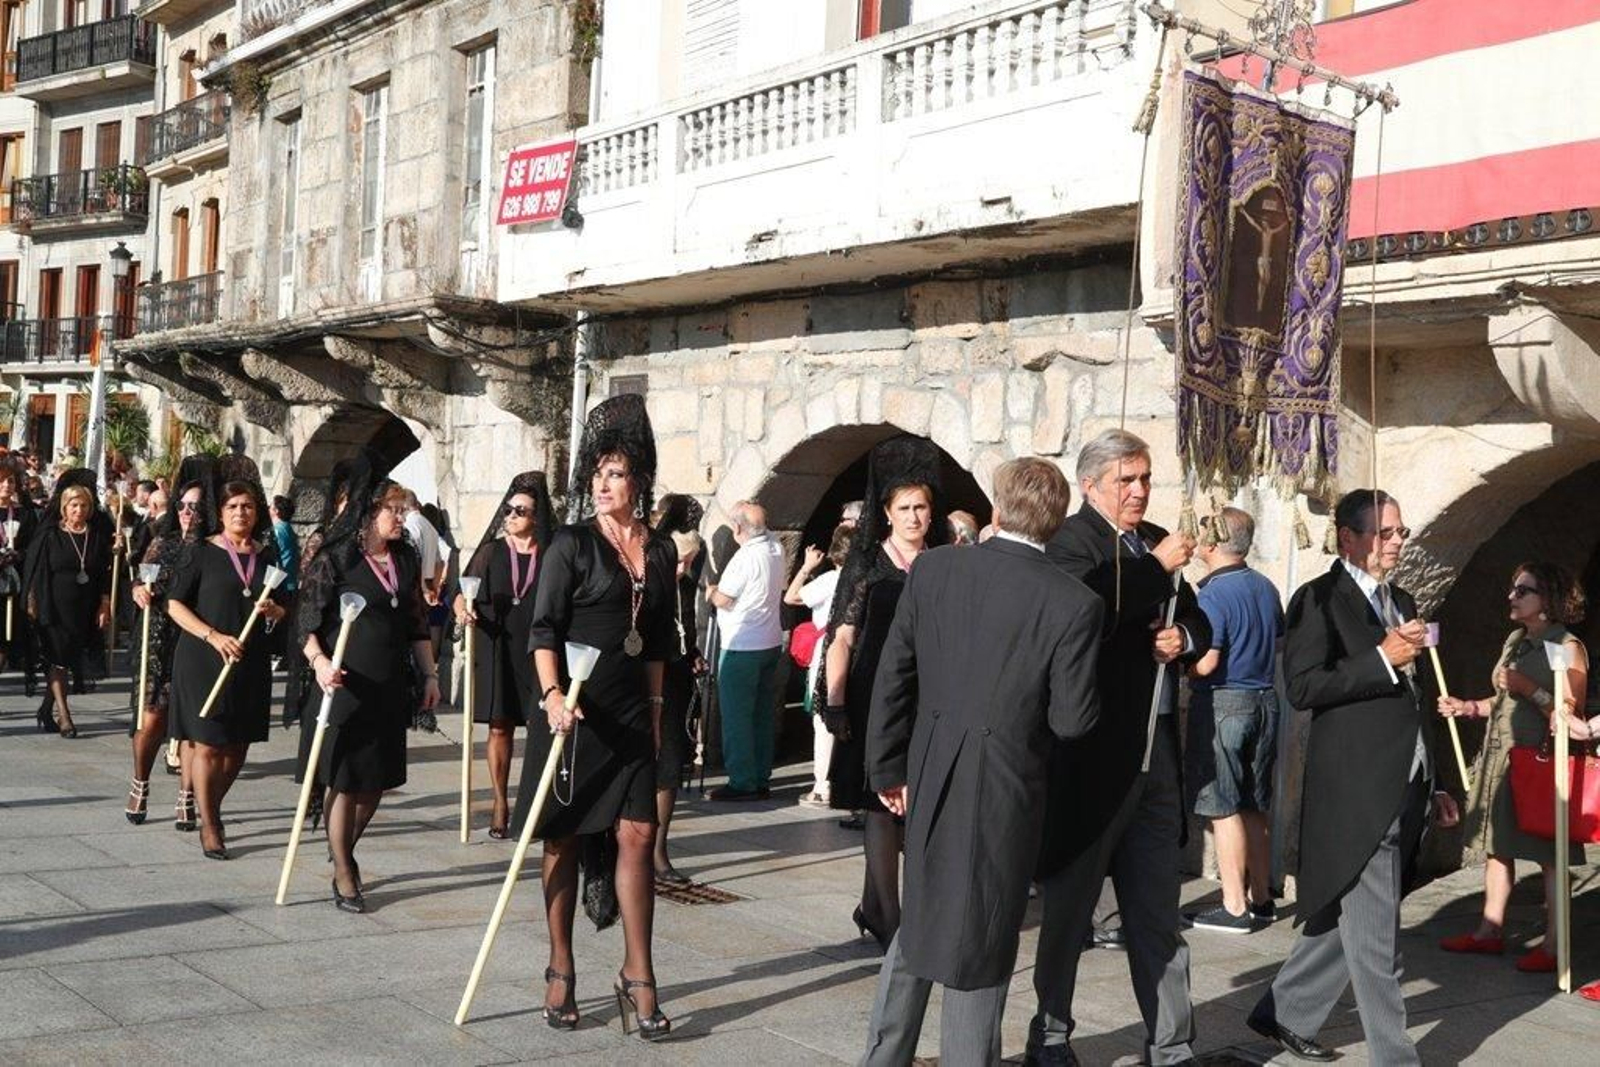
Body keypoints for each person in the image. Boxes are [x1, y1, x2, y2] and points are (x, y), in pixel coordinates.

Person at [859, 457, 1103, 1065]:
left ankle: (883, 1056)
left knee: (925, 916)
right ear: (1056, 522)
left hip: (931, 767)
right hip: (1006, 786)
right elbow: (1073, 720)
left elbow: (894, 673)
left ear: (998, 509)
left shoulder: (935, 567)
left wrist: (887, 767)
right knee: (982, 937)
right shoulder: (1074, 602)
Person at [1248, 489, 1460, 1065]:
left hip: (1405, 782)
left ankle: (1287, 1010)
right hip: (1356, 792)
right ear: (1348, 537)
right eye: (1384, 533)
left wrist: (1436, 779)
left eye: (1400, 532)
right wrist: (1381, 659)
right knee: (1377, 939)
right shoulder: (1318, 599)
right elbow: (1304, 686)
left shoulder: (1402, 598)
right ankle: (1395, 1057)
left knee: (1351, 913)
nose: (1396, 542)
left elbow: (1417, 697)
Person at [1027, 429, 1208, 1066]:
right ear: (1090, 485)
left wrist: (1184, 638)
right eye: (1125, 480)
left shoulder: (1154, 539)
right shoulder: (1069, 542)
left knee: (1157, 910)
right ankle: (1051, 1034)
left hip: (1155, 756)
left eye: (1144, 478)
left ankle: (1172, 1043)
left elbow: (1197, 616)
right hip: (1093, 763)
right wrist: (1154, 570)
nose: (1138, 491)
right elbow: (1084, 610)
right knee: (1070, 912)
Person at [517, 393, 676, 1039]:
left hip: (634, 715)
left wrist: (658, 711)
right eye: (597, 473)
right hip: (574, 716)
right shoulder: (571, 544)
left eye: (616, 473)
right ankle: (561, 965)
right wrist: (553, 696)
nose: (603, 484)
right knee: (565, 837)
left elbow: (658, 640)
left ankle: (639, 973)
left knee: (638, 835)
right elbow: (543, 629)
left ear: (639, 480)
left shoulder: (660, 551)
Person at [822, 435, 949, 950]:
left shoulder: (944, 561)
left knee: (915, 805)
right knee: (879, 803)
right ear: (888, 513)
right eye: (905, 508)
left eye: (921, 507)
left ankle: (873, 906)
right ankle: (891, 920)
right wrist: (834, 701)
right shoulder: (869, 563)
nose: (915, 517)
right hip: (872, 694)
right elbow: (842, 636)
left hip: (927, 697)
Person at [294, 467, 440, 911]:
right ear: (368, 512)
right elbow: (305, 621)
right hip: (343, 684)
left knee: (374, 783)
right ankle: (343, 871)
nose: (401, 517)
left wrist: (430, 675)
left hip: (388, 686)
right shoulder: (337, 558)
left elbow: (416, 623)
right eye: (392, 510)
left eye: (402, 509)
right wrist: (319, 663)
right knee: (344, 779)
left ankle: (343, 847)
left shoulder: (405, 558)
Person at [1437, 562, 1588, 973]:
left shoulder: (1567, 646)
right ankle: (1489, 931)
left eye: (1523, 591)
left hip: (1539, 762)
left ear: (1547, 599)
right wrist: (1469, 707)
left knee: (1549, 853)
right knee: (1497, 845)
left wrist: (1529, 687)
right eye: (1512, 588)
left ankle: (1554, 947)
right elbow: (1502, 701)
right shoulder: (1516, 641)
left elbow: (1569, 712)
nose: (1512, 597)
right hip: (1501, 757)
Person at [166, 476, 287, 860]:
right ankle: (211, 824)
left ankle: (210, 804)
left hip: (249, 660)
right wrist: (213, 636)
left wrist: (275, 611)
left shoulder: (267, 556)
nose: (240, 513)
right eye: (232, 506)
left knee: (237, 746)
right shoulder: (201, 551)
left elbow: (285, 606)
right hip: (203, 657)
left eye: (247, 506)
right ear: (219, 513)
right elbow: (174, 604)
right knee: (208, 741)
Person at [1185, 506, 1284, 933]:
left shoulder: (1212, 594)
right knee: (1253, 804)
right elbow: (1278, 643)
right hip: (1264, 699)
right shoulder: (1265, 586)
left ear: (1213, 542)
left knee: (1222, 806)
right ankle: (1261, 898)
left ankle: (1233, 905)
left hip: (1224, 701)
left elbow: (1207, 662)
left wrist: (1181, 667)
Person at [454, 471, 555, 838]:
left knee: (541, 727)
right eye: (509, 510)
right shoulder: (491, 552)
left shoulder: (550, 554)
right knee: (500, 726)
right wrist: (462, 611)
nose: (511, 516)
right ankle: (499, 800)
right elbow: (462, 592)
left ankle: (536, 804)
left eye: (521, 511)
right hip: (497, 643)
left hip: (535, 647)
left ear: (536, 517)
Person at [126, 472, 208, 829]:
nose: (187, 513)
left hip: (195, 638)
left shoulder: (213, 547)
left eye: (195, 507)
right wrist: (138, 590)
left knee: (190, 723)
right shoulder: (164, 541)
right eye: (183, 506)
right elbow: (141, 578)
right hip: (159, 637)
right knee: (151, 718)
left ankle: (186, 795)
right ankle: (140, 782)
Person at [23, 473, 114, 739]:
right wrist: (33, 602)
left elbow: (103, 574)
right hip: (54, 606)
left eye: (84, 505)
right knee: (58, 658)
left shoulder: (96, 536)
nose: (79, 510)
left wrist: (104, 603)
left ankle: (45, 710)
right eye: (74, 505)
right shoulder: (51, 535)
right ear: (64, 507)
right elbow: (37, 572)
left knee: (67, 658)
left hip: (85, 607)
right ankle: (64, 716)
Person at [706, 501, 786, 802]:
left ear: (738, 528)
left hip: (742, 645)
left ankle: (742, 781)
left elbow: (724, 599)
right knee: (762, 714)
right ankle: (760, 776)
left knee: (737, 716)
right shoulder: (776, 547)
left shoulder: (745, 558)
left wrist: (711, 591)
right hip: (769, 641)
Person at [652, 493, 706, 883]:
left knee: (669, 767)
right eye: (680, 560)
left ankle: (658, 851)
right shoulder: (645, 585)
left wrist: (694, 654)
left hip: (676, 681)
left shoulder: (684, 585)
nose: (684, 568)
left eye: (690, 561)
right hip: (643, 682)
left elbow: (685, 628)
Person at [785, 522, 852, 809]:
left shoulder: (831, 580)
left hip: (827, 655)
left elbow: (791, 597)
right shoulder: (865, 580)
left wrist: (806, 567)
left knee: (823, 721)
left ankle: (822, 786)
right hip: (856, 653)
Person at [0, 461, 38, 689]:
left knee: (10, 631)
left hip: (16, 580)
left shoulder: (24, 513)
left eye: (10, 481)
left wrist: (18, 554)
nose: (6, 485)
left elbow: (33, 544)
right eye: (2, 480)